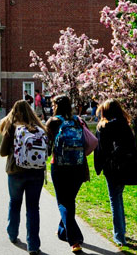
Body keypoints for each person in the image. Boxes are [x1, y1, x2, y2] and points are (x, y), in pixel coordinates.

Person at [0, 100, 47, 255]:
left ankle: (13, 234)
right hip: (36, 172)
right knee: (33, 207)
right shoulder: (39, 128)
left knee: (15, 202)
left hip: (15, 171)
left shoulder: (12, 127)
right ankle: (33, 245)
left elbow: (2, 152)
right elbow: (47, 151)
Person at [94, 99, 137, 247]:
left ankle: (119, 235)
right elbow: (132, 146)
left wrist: (99, 167)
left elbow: (100, 149)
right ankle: (121, 231)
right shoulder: (125, 125)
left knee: (115, 199)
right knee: (118, 197)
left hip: (112, 167)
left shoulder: (103, 127)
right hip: (126, 166)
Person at [46, 95, 89, 253]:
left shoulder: (53, 122)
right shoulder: (78, 120)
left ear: (56, 105)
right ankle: (62, 230)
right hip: (78, 165)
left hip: (60, 166)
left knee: (63, 202)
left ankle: (74, 239)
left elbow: (48, 145)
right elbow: (86, 141)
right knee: (69, 201)